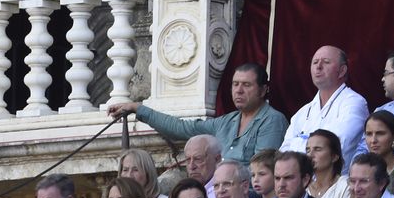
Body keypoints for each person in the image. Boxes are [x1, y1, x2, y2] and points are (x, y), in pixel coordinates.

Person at [109, 64, 287, 168]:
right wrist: (139, 109)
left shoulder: (272, 120)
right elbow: (182, 128)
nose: (239, 90)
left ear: (263, 90)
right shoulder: (227, 121)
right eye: (235, 84)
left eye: (246, 85)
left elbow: (261, 170)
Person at [280, 47, 369, 170]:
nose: (319, 66)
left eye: (326, 62)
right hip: (302, 183)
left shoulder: (354, 103)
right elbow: (284, 152)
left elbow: (336, 146)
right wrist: (317, 146)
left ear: (342, 70)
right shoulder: (302, 112)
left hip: (338, 184)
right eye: (315, 62)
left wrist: (299, 142)